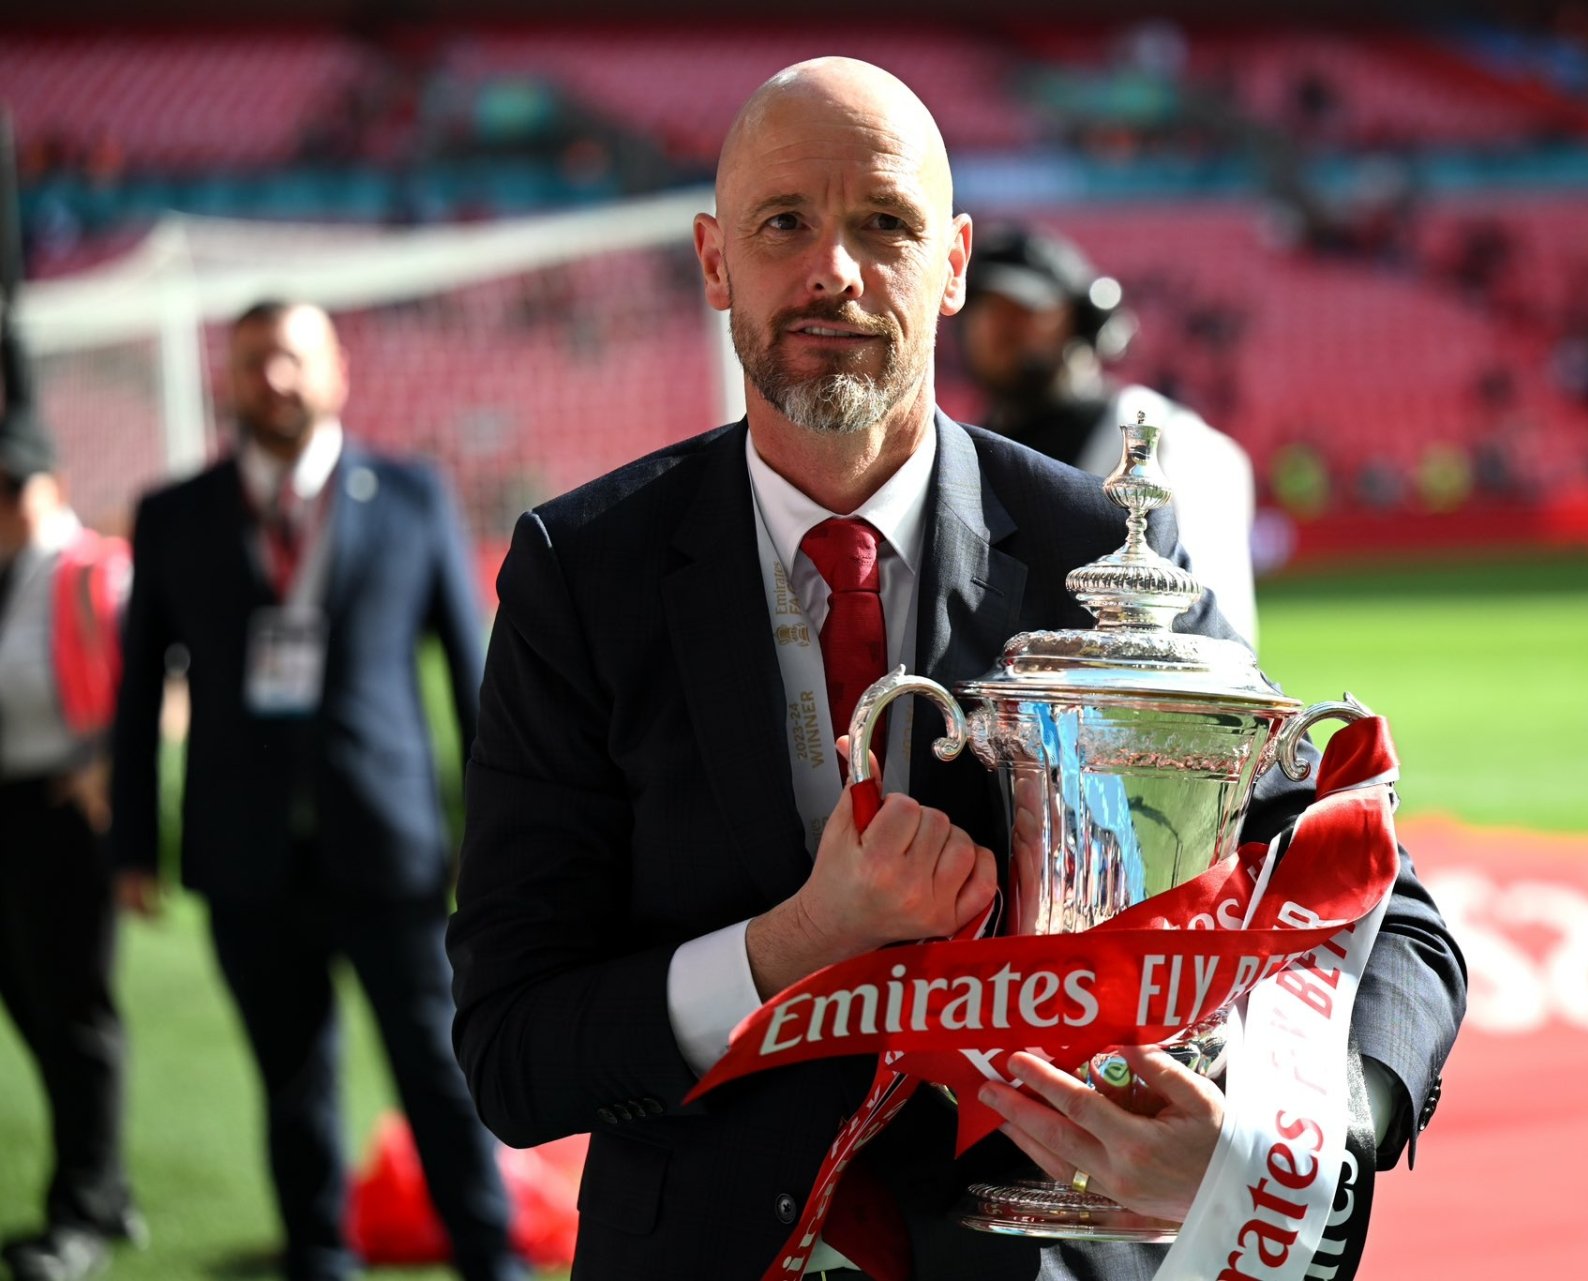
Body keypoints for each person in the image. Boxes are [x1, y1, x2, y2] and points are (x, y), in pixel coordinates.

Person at [447, 59, 1464, 1280]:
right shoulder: (581, 573)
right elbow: (512, 1053)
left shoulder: (1102, 552)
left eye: (885, 223)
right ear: (715, 262)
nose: (834, 269)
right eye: (784, 224)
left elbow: (1382, 908)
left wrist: (1295, 1138)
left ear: (954, 264)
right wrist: (799, 942)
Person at [109, 301, 524, 1281]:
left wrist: (502, 838)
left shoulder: (414, 496)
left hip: (390, 849)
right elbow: (137, 697)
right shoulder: (173, 515)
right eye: (254, 360)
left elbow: (477, 687)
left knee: (439, 1070)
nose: (274, 378)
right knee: (291, 1084)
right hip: (243, 855)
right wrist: (131, 845)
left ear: (337, 370)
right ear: (228, 378)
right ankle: (318, 1257)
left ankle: (490, 1257)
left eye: (292, 357)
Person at [0, 301, 142, 1281]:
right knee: (32, 1007)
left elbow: (153, 677)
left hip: (64, 813)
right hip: (7, 812)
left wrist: (111, 769)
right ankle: (100, 1184)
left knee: (74, 1012)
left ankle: (85, 1207)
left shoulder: (89, 571)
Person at [956, 222, 1261, 644]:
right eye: (983, 308)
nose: (997, 326)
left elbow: (1209, 641)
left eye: (1025, 308)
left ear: (1084, 319)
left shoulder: (1173, 443)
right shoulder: (964, 447)